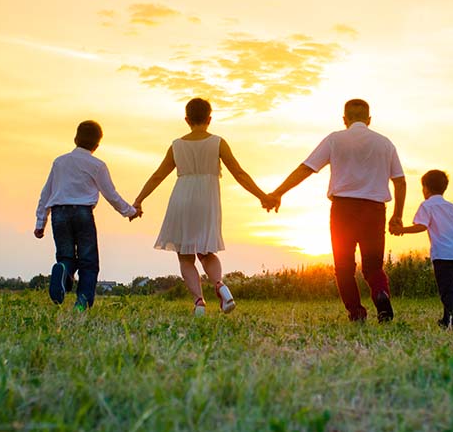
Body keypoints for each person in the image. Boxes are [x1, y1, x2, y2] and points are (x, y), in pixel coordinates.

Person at [134, 98, 276, 316]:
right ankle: (219, 285)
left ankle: (199, 302)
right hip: (207, 199)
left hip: (181, 198)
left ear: (187, 119)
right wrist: (262, 196)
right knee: (207, 252)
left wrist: (139, 200)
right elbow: (239, 173)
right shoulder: (218, 142)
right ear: (209, 119)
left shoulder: (176, 145)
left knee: (185, 256)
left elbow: (157, 176)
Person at [269, 99, 405, 322]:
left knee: (344, 267)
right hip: (374, 210)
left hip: (343, 210)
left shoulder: (335, 139)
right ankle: (381, 295)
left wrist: (278, 192)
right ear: (369, 120)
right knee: (373, 267)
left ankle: (356, 312)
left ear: (345, 119)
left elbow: (307, 168)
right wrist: (397, 216)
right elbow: (400, 181)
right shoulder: (385, 144)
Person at [34, 120, 141, 311]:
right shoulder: (97, 165)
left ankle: (64, 271)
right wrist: (130, 212)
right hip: (83, 213)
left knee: (65, 256)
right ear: (97, 145)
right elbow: (111, 194)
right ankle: (81, 304)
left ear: (75, 138)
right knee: (88, 262)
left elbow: (46, 193)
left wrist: (41, 221)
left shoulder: (59, 162)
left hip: (59, 213)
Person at [390, 169, 453, 328]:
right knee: (451, 287)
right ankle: (446, 320)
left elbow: (421, 226)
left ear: (426, 188)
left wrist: (401, 230)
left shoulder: (427, 205)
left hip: (443, 254)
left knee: (447, 290)